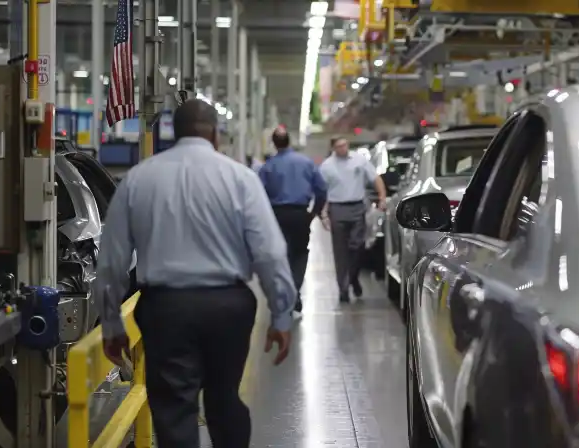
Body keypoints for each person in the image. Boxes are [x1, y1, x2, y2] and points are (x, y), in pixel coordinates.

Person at [94, 99, 296, 448]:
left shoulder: (138, 178)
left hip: (165, 309)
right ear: (215, 134)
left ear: (174, 132)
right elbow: (270, 252)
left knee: (173, 409)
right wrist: (281, 313)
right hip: (228, 307)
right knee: (224, 397)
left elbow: (111, 261)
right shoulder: (241, 179)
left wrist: (111, 324)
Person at [259, 127, 327, 313]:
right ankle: (295, 291)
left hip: (276, 216)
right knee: (300, 254)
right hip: (299, 214)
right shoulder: (306, 162)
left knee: (282, 255)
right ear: (290, 141)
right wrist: (314, 212)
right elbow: (321, 189)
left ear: (273, 143)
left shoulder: (268, 167)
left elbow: (259, 194)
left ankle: (287, 294)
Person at [319, 136, 387, 303]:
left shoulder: (359, 160)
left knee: (358, 246)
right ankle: (343, 288)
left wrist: (382, 197)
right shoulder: (326, 166)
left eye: (345, 145)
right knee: (340, 251)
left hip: (357, 207)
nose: (343, 148)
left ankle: (353, 277)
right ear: (333, 148)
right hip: (337, 209)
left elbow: (375, 178)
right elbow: (322, 191)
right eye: (339, 146)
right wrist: (324, 213)